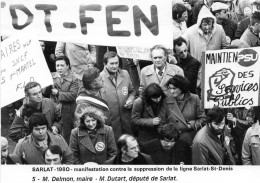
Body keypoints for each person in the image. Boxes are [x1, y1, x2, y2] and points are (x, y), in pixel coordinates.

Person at [182, 5, 229, 96]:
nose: (207, 27)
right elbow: (182, 48)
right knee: (199, 94)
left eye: (209, 24)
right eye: (204, 24)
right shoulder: (190, 32)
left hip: (215, 69)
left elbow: (225, 46)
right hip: (197, 70)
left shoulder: (219, 29)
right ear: (200, 23)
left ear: (213, 23)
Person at [159, 75, 205, 146]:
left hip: (191, 138)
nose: (171, 91)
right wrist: (167, 137)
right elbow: (161, 122)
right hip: (173, 140)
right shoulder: (166, 101)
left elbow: (203, 118)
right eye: (170, 88)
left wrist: (192, 125)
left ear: (182, 88)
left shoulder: (194, 98)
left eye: (174, 88)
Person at [43, 56, 79, 143]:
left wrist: (58, 93)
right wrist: (47, 86)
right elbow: (44, 92)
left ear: (67, 66)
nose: (59, 68)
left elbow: (73, 95)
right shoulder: (51, 76)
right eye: (57, 65)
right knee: (52, 132)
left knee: (67, 133)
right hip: (54, 109)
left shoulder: (74, 78)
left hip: (68, 110)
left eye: (62, 65)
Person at [100, 51, 135, 140]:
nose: (115, 66)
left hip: (126, 119)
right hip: (110, 121)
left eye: (116, 63)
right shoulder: (100, 78)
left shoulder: (125, 74)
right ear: (105, 64)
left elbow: (132, 92)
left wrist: (130, 100)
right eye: (112, 63)